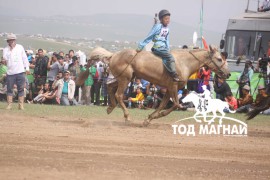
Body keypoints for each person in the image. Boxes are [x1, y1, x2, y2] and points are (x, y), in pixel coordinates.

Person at [136, 9, 180, 82]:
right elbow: (149, 36)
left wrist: (168, 48)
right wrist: (141, 46)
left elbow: (167, 40)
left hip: (164, 48)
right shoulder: (158, 26)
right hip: (158, 48)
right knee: (170, 57)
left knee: (170, 55)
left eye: (168, 19)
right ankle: (174, 74)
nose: (168, 20)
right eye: (166, 19)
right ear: (161, 19)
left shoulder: (167, 29)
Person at [2, 33, 30, 110]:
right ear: (8, 41)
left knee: (21, 88)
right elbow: (5, 59)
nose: (11, 42)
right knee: (9, 89)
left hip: (20, 71)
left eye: (12, 40)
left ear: (14, 40)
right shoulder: (5, 49)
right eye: (9, 40)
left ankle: (21, 105)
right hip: (10, 72)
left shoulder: (20, 47)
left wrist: (27, 68)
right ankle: (9, 104)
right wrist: (11, 50)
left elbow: (24, 58)